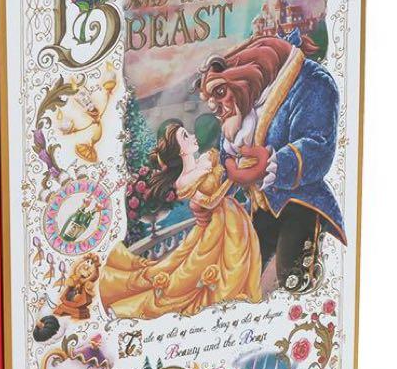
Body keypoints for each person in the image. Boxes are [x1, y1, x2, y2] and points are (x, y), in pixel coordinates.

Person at [192, 36, 345, 292]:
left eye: (219, 94)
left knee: (292, 278)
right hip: (260, 209)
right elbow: (228, 159)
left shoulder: (312, 82)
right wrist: (209, 196)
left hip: (301, 205)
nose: (217, 108)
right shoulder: (240, 105)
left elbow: (319, 146)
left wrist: (275, 163)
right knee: (241, 280)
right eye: (212, 101)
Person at [99, 120, 261, 318]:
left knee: (239, 267)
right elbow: (210, 202)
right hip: (214, 230)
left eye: (188, 132)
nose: (192, 136)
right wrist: (233, 179)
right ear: (179, 150)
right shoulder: (183, 181)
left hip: (234, 220)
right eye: (185, 136)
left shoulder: (207, 157)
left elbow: (228, 176)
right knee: (191, 280)